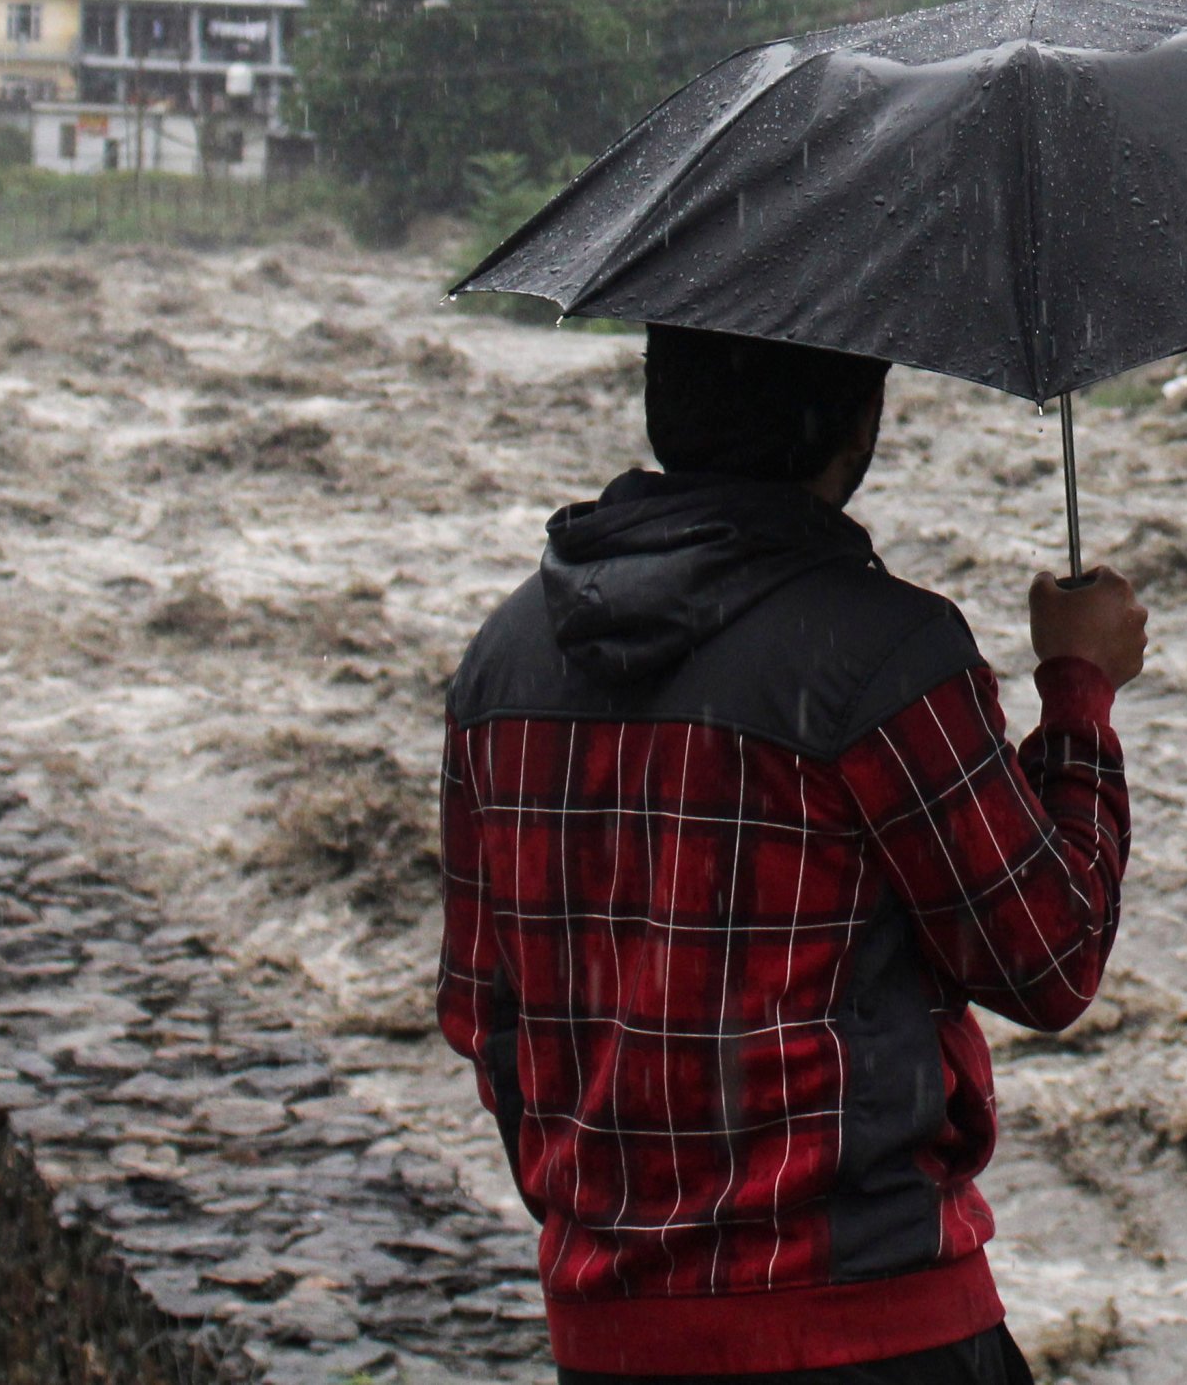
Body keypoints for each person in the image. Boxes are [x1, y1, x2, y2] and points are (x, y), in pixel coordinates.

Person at [441, 326, 1145, 1384]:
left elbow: (481, 1010)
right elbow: (1050, 959)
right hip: (873, 1328)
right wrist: (1079, 691)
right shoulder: (886, 658)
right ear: (859, 425)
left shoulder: (502, 662)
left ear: (662, 405)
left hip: (612, 1335)